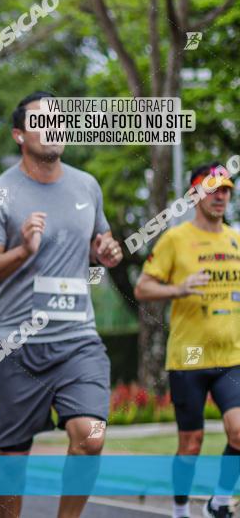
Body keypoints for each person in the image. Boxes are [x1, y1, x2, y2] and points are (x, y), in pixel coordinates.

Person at [0, 91, 123, 518]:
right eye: (41, 119)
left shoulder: (87, 185)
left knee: (90, 438)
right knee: (13, 457)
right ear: (19, 134)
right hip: (14, 343)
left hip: (77, 339)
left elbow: (97, 243)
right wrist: (22, 251)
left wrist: (106, 251)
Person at [134, 162, 240, 518]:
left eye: (226, 189)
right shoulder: (175, 239)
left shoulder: (236, 239)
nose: (221, 195)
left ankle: (220, 502)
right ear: (195, 194)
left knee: (239, 432)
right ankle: (180, 510)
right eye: (213, 189)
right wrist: (179, 288)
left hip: (231, 355)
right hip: (190, 356)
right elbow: (142, 287)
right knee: (190, 444)